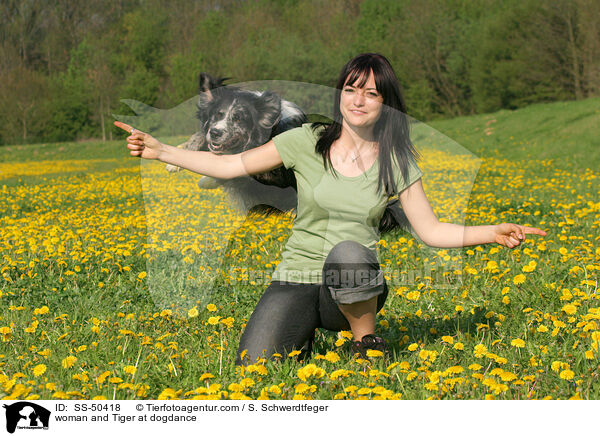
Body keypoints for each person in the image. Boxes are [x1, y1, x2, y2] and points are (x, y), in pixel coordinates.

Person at [114, 53, 547, 364]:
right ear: (341, 93)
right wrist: (161, 151)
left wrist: (491, 231)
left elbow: (432, 231)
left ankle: (366, 342)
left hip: (351, 283)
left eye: (371, 93)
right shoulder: (306, 140)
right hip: (295, 278)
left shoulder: (396, 161)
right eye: (351, 89)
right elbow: (231, 164)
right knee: (255, 362)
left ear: (385, 104)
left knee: (348, 252)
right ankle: (299, 334)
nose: (358, 100)